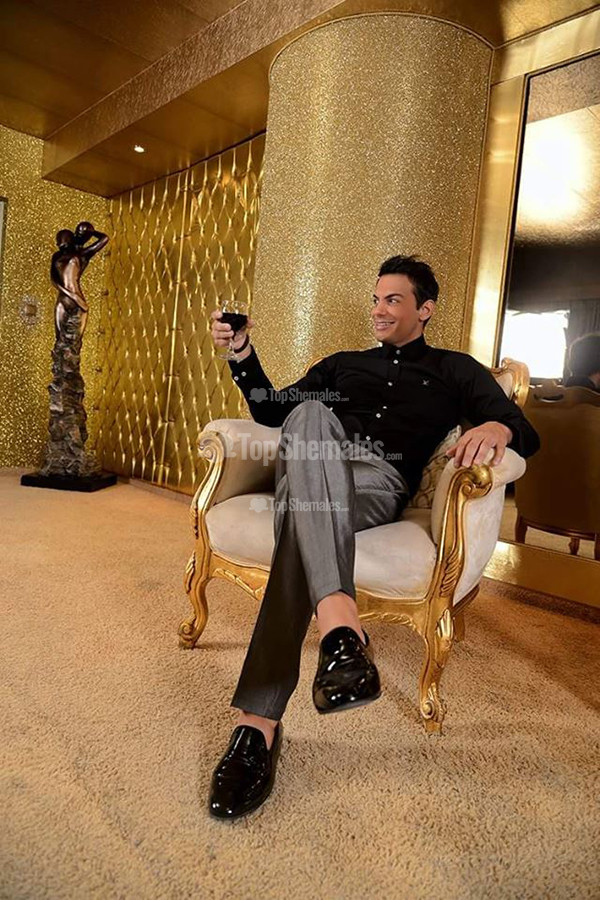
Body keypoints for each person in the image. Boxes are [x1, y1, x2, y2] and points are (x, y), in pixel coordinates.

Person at [207, 254, 540, 819]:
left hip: (375, 485)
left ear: (424, 309)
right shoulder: (342, 365)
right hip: (312, 468)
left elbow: (526, 433)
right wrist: (241, 353)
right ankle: (340, 629)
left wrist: (495, 424)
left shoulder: (456, 370)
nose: (379, 310)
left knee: (301, 518)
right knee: (309, 417)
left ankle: (257, 725)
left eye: (393, 300)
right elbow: (270, 411)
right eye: (377, 299)